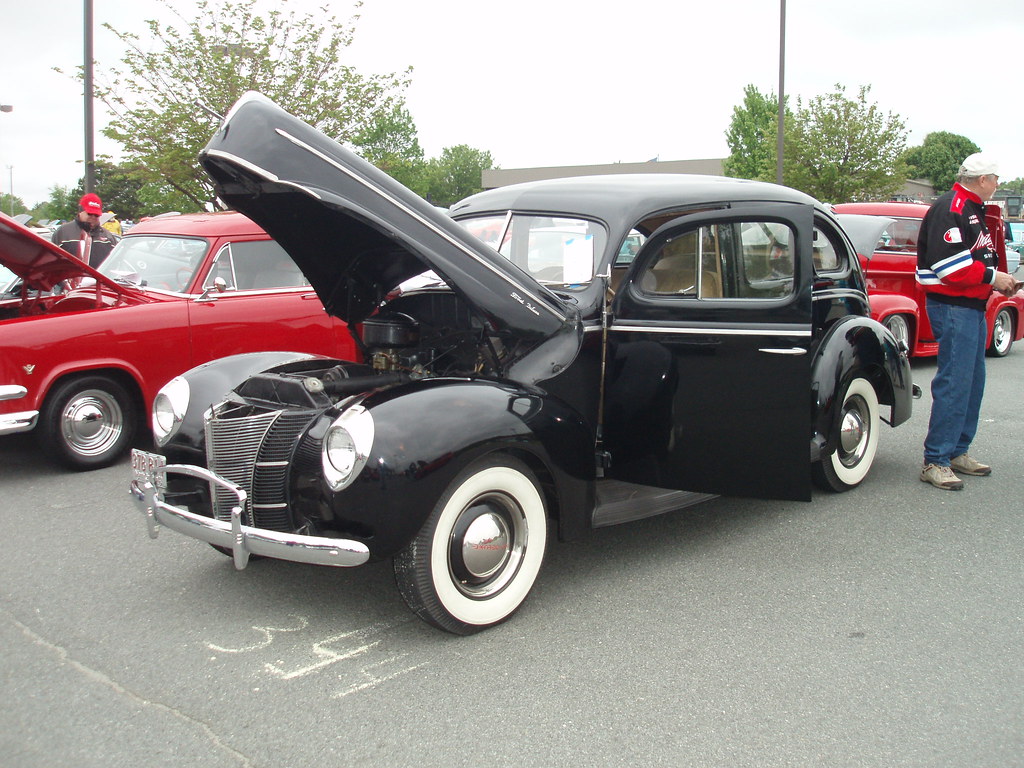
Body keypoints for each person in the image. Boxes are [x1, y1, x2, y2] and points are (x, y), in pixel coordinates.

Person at [916, 152, 1018, 490]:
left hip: (971, 307)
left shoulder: (973, 208)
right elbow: (951, 269)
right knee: (955, 382)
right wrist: (994, 277)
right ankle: (936, 459)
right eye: (995, 178)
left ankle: (957, 451)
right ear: (981, 179)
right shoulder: (953, 207)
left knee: (972, 381)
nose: (998, 183)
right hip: (953, 306)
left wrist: (995, 277)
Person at [51, 193, 119, 268]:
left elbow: (116, 265)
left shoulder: (108, 238)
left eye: (96, 215)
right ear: (80, 212)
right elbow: (51, 262)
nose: (93, 217)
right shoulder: (63, 233)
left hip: (98, 279)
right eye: (90, 214)